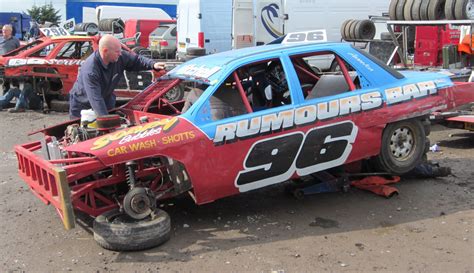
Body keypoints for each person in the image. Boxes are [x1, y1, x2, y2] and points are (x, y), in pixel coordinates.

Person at [69, 34, 166, 119]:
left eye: (120, 51)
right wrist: (107, 122)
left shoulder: (119, 57)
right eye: (117, 51)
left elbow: (136, 60)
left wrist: (152, 65)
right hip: (82, 106)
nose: (120, 54)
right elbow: (96, 100)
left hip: (106, 101)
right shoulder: (91, 70)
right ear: (105, 51)